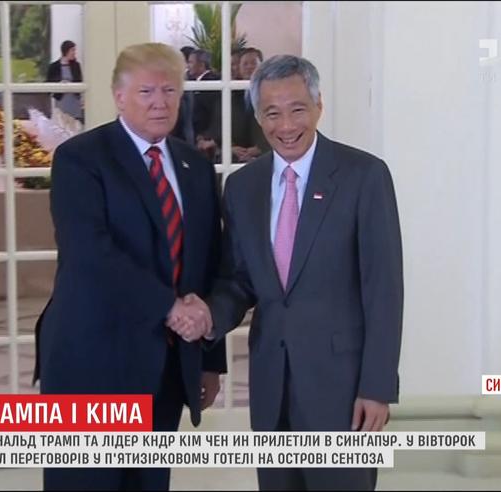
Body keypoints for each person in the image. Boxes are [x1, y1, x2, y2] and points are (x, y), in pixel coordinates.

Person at [169, 55, 404, 491]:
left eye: (297, 109)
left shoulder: (364, 176)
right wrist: (207, 317)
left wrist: (377, 386)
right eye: (272, 113)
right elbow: (238, 279)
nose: (286, 125)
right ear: (259, 118)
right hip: (271, 383)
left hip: (342, 388)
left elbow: (384, 291)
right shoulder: (243, 186)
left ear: (318, 106)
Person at [34, 42, 227, 491]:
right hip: (91, 361)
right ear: (119, 97)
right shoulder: (81, 158)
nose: (160, 102)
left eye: (170, 90)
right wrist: (169, 308)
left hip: (166, 366)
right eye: (146, 92)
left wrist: (208, 360)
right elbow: (90, 254)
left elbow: (208, 263)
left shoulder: (195, 167)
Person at [46, 40, 83, 122]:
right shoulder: (54, 67)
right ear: (66, 51)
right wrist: (59, 84)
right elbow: (48, 84)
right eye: (72, 50)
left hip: (74, 100)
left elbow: (79, 81)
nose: (74, 53)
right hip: (61, 100)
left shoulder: (76, 66)